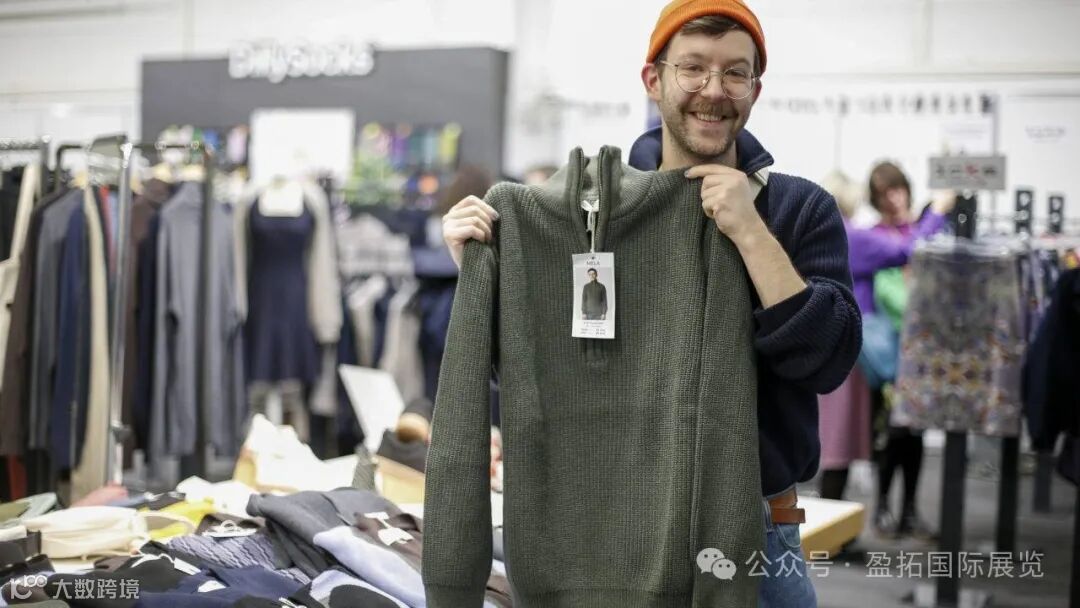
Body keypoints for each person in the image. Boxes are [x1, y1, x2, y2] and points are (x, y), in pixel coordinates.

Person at [441, 1, 862, 605]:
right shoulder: (596, 218)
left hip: (758, 529)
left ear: (755, 88)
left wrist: (751, 233)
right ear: (653, 79)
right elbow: (542, 371)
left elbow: (827, 362)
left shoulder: (797, 208)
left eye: (735, 73)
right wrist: (481, 274)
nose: (713, 90)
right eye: (693, 68)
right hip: (617, 524)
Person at [851, 160, 954, 539]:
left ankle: (909, 510)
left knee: (914, 434)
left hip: (921, 349)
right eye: (884, 194)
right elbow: (906, 253)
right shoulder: (876, 237)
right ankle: (882, 508)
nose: (893, 199)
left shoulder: (922, 231)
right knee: (889, 433)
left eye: (897, 189)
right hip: (886, 353)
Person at [815, 171, 873, 502]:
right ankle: (831, 515)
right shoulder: (852, 236)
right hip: (844, 348)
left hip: (813, 342)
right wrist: (936, 212)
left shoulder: (810, 232)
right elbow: (905, 248)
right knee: (840, 439)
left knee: (825, 435)